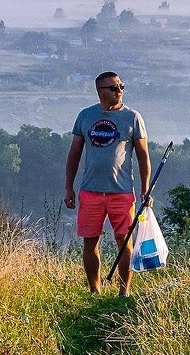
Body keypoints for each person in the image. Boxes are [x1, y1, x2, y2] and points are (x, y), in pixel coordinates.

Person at [65, 71, 151, 296]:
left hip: (121, 192)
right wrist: (68, 187)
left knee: (123, 241)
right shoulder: (85, 116)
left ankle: (124, 293)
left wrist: (146, 189)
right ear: (100, 92)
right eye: (113, 88)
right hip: (90, 190)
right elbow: (74, 153)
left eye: (121, 86)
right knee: (90, 241)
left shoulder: (132, 117)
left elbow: (143, 156)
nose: (119, 91)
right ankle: (95, 291)